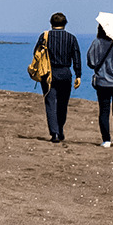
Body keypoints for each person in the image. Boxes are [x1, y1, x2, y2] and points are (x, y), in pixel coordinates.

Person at [34, 12, 81, 143]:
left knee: (50, 102)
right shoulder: (71, 38)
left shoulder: (44, 36)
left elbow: (36, 53)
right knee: (63, 103)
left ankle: (54, 133)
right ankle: (60, 129)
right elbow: (76, 57)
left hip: (48, 73)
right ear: (65, 24)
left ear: (51, 23)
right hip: (65, 73)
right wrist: (78, 75)